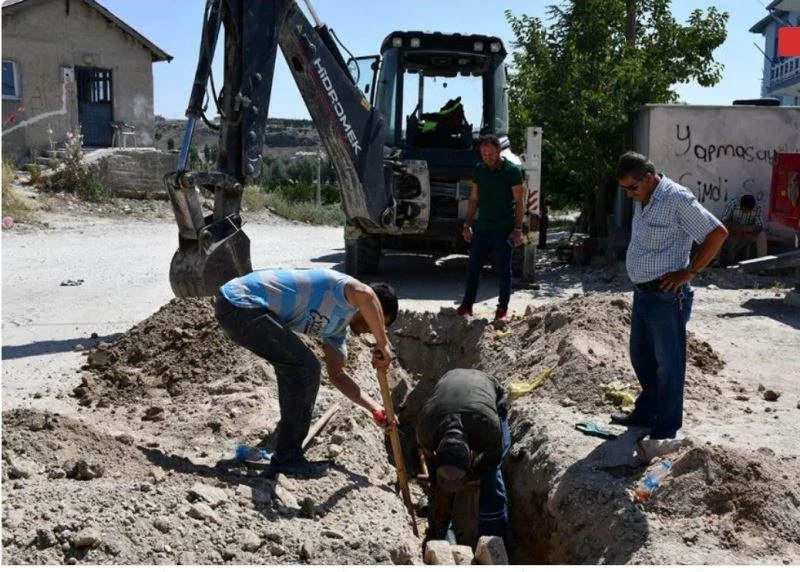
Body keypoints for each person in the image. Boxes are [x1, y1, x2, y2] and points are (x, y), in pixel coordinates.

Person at [215, 268, 398, 478]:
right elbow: (366, 294)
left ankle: (286, 453)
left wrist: (375, 408)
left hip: (244, 310)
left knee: (296, 368)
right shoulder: (343, 290)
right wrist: (383, 344)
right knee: (306, 369)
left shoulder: (337, 329)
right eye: (371, 322)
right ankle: (288, 459)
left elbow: (338, 375)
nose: (369, 330)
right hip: (240, 303)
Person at [612, 152, 728, 452]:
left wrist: (690, 271)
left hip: (666, 296)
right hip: (643, 293)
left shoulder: (677, 198)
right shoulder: (644, 197)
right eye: (625, 189)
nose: (629, 195)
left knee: (669, 365)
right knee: (641, 357)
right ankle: (645, 413)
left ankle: (665, 428)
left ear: (648, 178)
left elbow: (717, 233)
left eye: (632, 188)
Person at [416, 369, 511, 548]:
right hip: (449, 383)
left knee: (492, 473)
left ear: (471, 455)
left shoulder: (488, 427)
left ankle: (495, 534)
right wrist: (437, 490)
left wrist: (473, 474)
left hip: (487, 388)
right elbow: (429, 463)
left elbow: (493, 457)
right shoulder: (425, 430)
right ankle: (442, 527)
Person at [457, 134, 525, 321]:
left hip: (504, 229)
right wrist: (467, 224)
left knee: (504, 271)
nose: (488, 158)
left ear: (498, 151)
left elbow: (520, 202)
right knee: (473, 268)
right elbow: (473, 199)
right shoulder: (479, 170)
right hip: (483, 229)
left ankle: (502, 309)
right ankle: (466, 306)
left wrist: (518, 228)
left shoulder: (512, 171)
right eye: (484, 154)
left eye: (491, 154)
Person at [718, 194, 768, 265]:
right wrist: (739, 231)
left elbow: (759, 225)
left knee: (762, 235)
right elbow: (724, 221)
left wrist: (752, 234)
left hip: (748, 231)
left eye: (748, 211)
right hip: (734, 230)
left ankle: (762, 264)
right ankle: (716, 260)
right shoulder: (734, 204)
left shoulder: (757, 207)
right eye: (744, 210)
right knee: (719, 232)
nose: (746, 212)